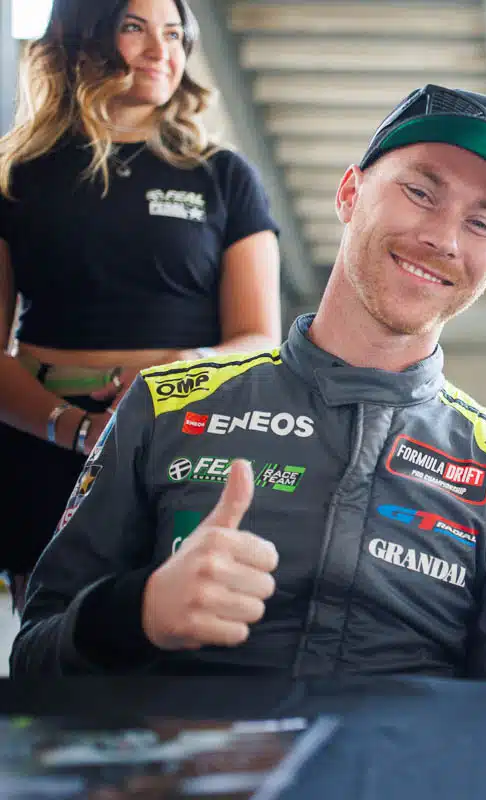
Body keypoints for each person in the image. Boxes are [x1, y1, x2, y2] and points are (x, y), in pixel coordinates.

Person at [12, 83, 486, 680]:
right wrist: (137, 612)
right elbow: (32, 659)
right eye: (420, 192)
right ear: (348, 193)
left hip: (406, 771)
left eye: (483, 224)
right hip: (182, 771)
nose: (445, 238)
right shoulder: (166, 405)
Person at [0, 0, 282, 608]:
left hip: (184, 435)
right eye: (135, 28)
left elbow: (260, 339)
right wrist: (76, 430)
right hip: (47, 443)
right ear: (81, 39)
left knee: (181, 646)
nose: (163, 51)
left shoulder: (225, 175)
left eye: (175, 33)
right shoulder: (16, 175)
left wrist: (176, 372)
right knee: (53, 654)